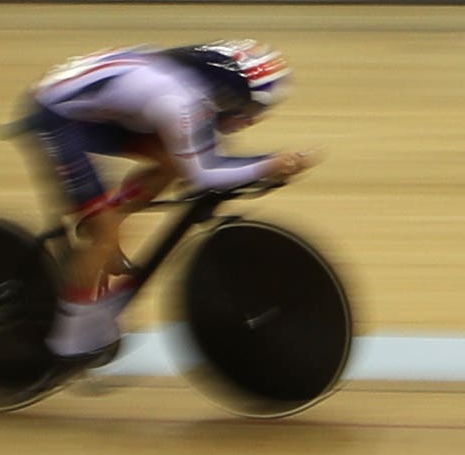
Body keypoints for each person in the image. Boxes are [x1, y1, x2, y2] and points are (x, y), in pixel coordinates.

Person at [22, 40, 316, 361]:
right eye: (253, 110)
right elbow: (204, 173)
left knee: (173, 161)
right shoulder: (179, 100)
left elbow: (199, 162)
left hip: (103, 112)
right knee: (105, 236)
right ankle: (66, 344)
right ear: (226, 93)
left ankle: (108, 221)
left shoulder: (196, 93)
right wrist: (270, 163)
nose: (252, 121)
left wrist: (265, 165)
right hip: (58, 118)